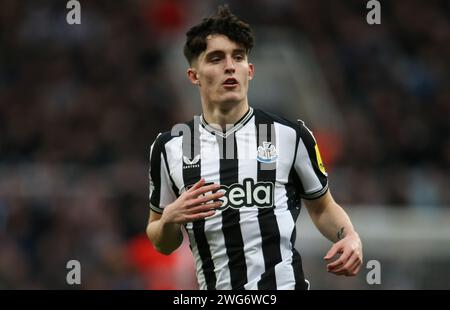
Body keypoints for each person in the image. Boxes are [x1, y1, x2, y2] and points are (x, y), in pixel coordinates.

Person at [146, 5, 363, 290]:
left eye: (238, 57)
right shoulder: (169, 147)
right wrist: (170, 219)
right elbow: (162, 241)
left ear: (249, 70)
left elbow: (322, 207)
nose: (229, 66)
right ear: (194, 75)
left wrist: (348, 236)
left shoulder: (290, 135)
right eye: (215, 58)